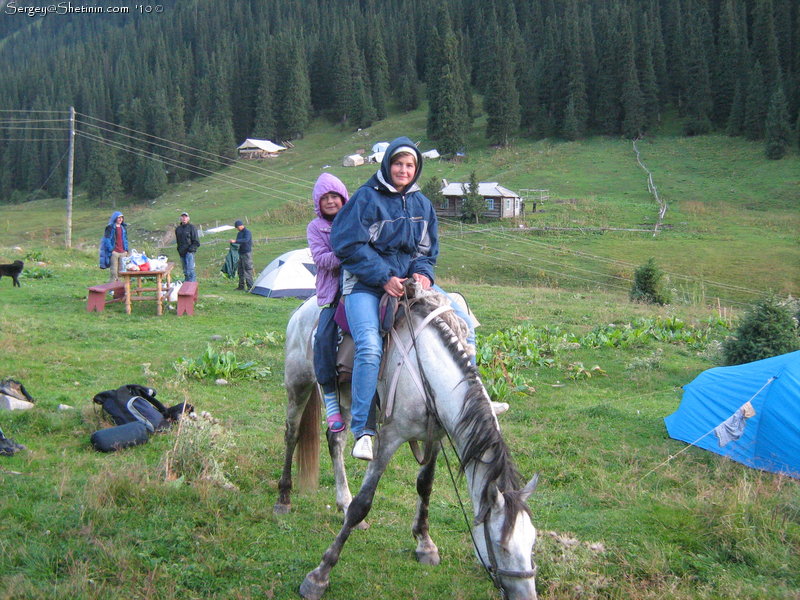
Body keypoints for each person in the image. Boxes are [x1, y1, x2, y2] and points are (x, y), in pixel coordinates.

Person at [331, 136, 474, 461]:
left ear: (416, 168)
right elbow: (348, 244)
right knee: (369, 345)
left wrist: (424, 274)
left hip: (409, 284)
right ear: (387, 164)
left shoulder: (421, 204)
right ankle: (364, 432)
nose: (403, 170)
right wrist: (383, 277)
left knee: (463, 324)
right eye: (398, 163)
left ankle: (470, 402)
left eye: (410, 165)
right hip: (365, 285)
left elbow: (426, 252)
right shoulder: (366, 198)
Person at [307, 173, 349, 433]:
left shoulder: (354, 219)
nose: (331, 202)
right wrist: (349, 254)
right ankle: (331, 399)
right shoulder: (315, 227)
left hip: (362, 287)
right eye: (325, 198)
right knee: (323, 338)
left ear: (343, 198)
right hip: (333, 294)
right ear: (318, 203)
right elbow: (321, 259)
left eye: (335, 196)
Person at [99, 211, 129, 282]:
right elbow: (106, 239)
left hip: (123, 252)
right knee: (113, 272)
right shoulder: (110, 228)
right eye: (119, 218)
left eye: (122, 218)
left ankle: (120, 288)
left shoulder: (123, 228)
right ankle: (112, 289)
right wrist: (111, 250)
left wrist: (126, 250)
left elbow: (125, 239)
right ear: (115, 218)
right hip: (115, 253)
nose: (120, 219)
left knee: (122, 272)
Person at [175, 212, 200, 282]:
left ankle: (192, 286)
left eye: (185, 217)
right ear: (180, 218)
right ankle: (186, 286)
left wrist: (191, 250)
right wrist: (179, 250)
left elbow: (196, 241)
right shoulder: (178, 229)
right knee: (185, 271)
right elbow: (178, 241)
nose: (184, 218)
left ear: (188, 218)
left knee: (190, 270)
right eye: (182, 217)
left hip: (189, 252)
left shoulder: (192, 228)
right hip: (181, 252)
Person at [229, 220, 254, 290]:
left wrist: (235, 241)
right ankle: (241, 286)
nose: (237, 229)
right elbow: (238, 242)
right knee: (240, 270)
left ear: (240, 225)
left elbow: (246, 240)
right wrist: (233, 244)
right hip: (240, 253)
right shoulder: (239, 233)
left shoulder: (247, 232)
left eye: (237, 227)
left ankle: (250, 287)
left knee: (247, 269)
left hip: (246, 253)